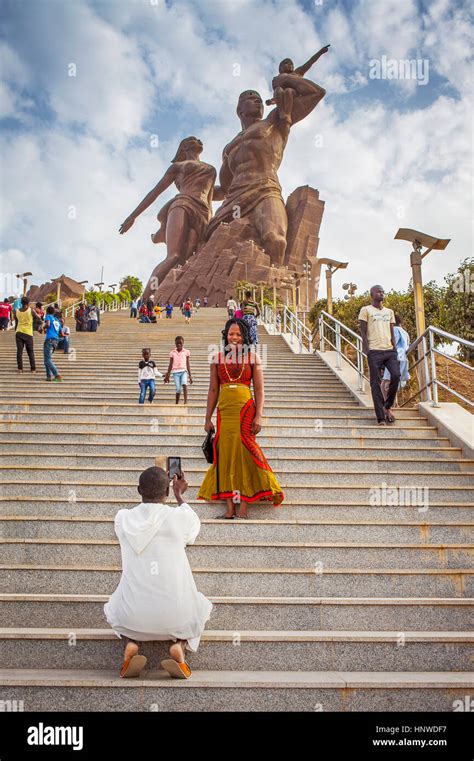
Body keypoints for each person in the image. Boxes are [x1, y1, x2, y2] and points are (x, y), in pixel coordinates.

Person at [104, 467, 212, 679]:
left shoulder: (123, 519)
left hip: (132, 616)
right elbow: (193, 529)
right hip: (177, 617)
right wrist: (180, 496)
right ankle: (179, 646)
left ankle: (131, 643)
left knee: (114, 606)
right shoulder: (178, 518)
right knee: (202, 606)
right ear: (168, 491)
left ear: (138, 490)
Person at [198, 318, 284, 518]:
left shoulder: (253, 358)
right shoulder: (217, 358)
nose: (234, 337)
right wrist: (207, 418)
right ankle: (229, 509)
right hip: (224, 412)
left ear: (244, 337)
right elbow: (212, 390)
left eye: (238, 334)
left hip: (246, 410)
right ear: (225, 335)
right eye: (231, 334)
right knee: (225, 454)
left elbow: (260, 389)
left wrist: (259, 416)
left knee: (245, 452)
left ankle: (244, 508)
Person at [359, 285, 399, 425]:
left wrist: (394, 347)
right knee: (375, 383)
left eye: (383, 291)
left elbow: (391, 330)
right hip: (374, 351)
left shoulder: (389, 312)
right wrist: (367, 349)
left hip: (389, 350)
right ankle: (380, 417)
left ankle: (387, 405)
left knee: (396, 375)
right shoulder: (366, 310)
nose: (381, 293)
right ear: (372, 294)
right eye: (378, 291)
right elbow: (363, 331)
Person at [381, 315, 410, 403]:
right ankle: (389, 404)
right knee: (387, 383)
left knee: (386, 384)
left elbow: (392, 344)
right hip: (402, 357)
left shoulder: (395, 330)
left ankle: (388, 406)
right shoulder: (405, 333)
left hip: (394, 358)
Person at [164, 336, 193, 404]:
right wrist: (167, 375)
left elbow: (187, 364)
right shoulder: (172, 352)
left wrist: (190, 376)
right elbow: (170, 364)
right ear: (175, 344)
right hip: (175, 372)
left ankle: (185, 402)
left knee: (184, 383)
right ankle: (176, 403)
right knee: (178, 389)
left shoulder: (186, 352)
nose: (179, 345)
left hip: (183, 371)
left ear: (183, 343)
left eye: (180, 343)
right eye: (177, 343)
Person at [14, 296, 36, 373]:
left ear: (21, 302)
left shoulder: (16, 311)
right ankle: (33, 369)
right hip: (28, 334)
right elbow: (38, 319)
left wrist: (15, 330)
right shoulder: (31, 311)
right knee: (30, 352)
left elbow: (16, 323)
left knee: (19, 351)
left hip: (19, 332)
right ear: (28, 303)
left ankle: (20, 369)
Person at [43, 305, 63, 382]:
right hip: (55, 341)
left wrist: (43, 328)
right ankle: (48, 377)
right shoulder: (57, 320)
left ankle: (57, 374)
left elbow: (47, 324)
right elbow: (61, 333)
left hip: (49, 340)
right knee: (47, 359)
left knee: (47, 360)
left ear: (47, 312)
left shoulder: (48, 316)